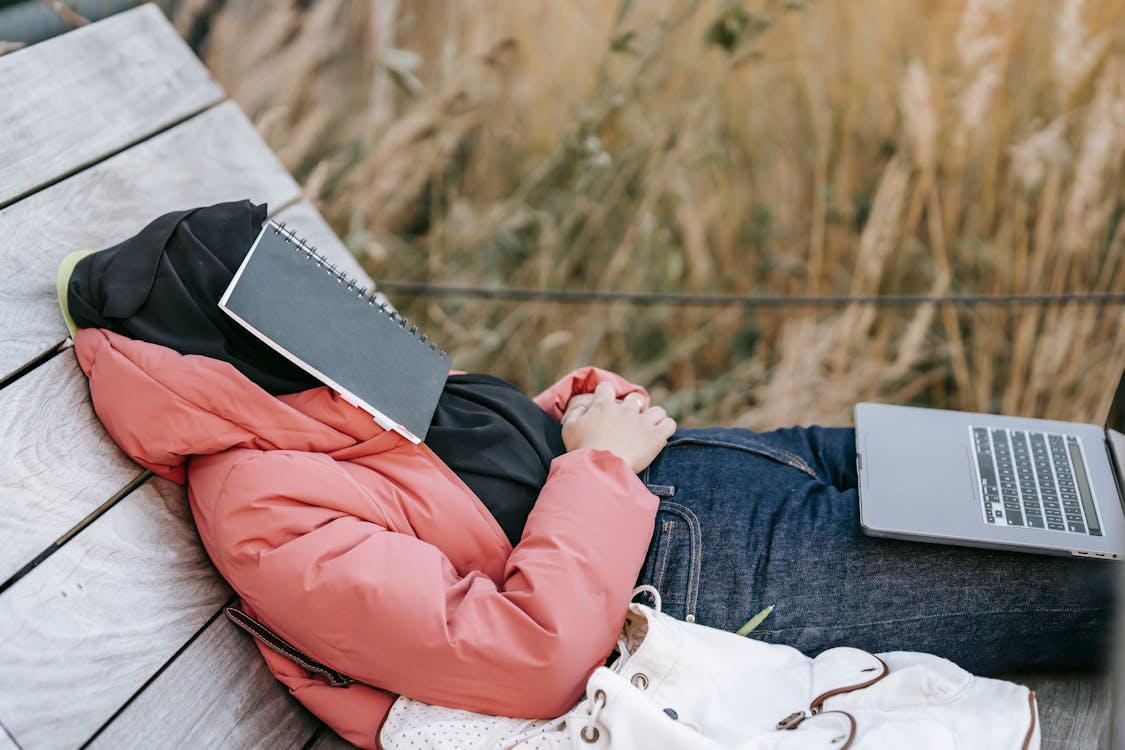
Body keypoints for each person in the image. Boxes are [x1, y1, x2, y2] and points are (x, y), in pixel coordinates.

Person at [60, 202, 1114, 749]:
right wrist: (601, 463)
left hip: (719, 468)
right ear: (224, 340)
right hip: (703, 580)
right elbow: (527, 657)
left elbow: (482, 463)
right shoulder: (267, 512)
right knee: (1093, 582)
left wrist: (574, 414)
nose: (322, 297)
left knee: (1084, 482)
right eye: (280, 289)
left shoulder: (315, 395)